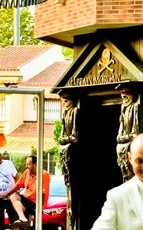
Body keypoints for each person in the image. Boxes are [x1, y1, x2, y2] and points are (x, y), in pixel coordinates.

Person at [1, 155, 50, 229]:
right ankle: (22, 218)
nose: (26, 166)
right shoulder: (26, 172)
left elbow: (43, 193)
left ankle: (23, 222)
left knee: (19, 207)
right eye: (26, 164)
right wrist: (6, 194)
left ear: (36, 164)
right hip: (26, 198)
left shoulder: (44, 174)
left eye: (29, 164)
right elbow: (18, 185)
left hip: (36, 202)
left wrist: (40, 208)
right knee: (12, 196)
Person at [58, 92, 79, 230]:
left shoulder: (75, 112)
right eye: (63, 101)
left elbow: (74, 136)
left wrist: (66, 139)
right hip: (67, 148)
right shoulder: (65, 113)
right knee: (68, 182)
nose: (65, 103)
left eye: (67, 100)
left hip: (73, 152)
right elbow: (62, 135)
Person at [116, 84, 139, 182]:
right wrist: (120, 137)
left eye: (126, 95)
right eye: (122, 96)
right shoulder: (123, 109)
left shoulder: (134, 107)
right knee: (123, 171)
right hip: (121, 145)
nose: (124, 98)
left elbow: (135, 133)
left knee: (129, 172)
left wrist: (124, 137)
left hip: (128, 145)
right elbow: (119, 132)